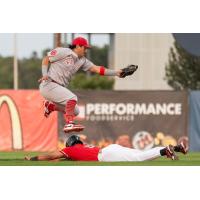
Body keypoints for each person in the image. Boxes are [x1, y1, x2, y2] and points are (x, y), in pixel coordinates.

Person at [38, 36, 138, 133]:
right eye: (84, 48)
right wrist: (45, 74)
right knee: (72, 98)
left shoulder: (82, 60)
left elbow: (97, 69)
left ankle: (50, 106)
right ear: (77, 46)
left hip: (58, 88)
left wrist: (117, 72)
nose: (86, 50)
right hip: (49, 84)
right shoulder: (64, 51)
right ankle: (69, 123)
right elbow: (46, 59)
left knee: (75, 111)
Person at [25, 135, 187, 162]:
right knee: (141, 154)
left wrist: (31, 159)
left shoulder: (70, 151)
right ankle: (176, 148)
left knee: (139, 158)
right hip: (110, 148)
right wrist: (62, 159)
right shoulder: (81, 147)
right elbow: (61, 158)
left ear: (69, 145)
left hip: (107, 156)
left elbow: (50, 156)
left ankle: (165, 150)